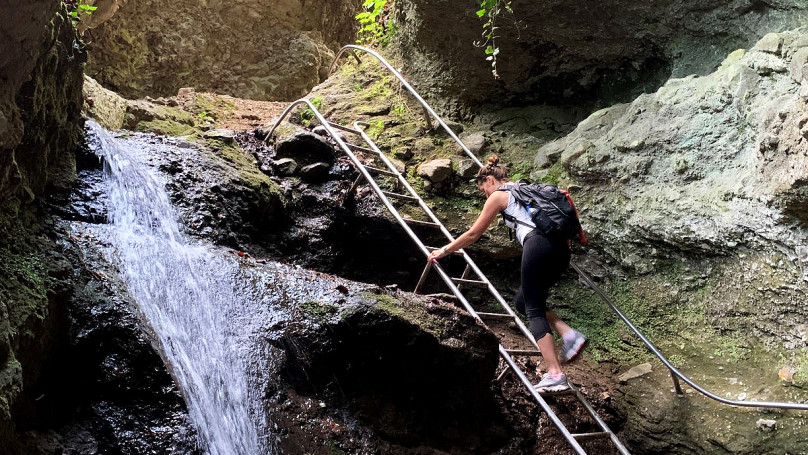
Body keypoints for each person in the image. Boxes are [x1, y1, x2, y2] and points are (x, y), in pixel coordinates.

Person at [427, 155, 587, 392]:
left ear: (490, 180)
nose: (485, 195)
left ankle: (555, 374)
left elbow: (473, 234)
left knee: (532, 308)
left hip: (538, 245)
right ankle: (568, 334)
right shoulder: (526, 189)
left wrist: (445, 249)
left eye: (483, 190)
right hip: (561, 250)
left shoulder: (500, 195)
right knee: (524, 301)